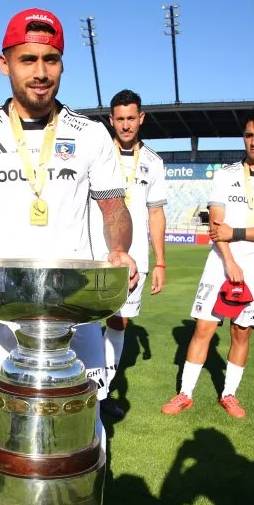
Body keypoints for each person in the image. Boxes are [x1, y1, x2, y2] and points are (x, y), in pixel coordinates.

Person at [0, 7, 136, 505]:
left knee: (89, 413)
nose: (40, 71)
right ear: (5, 65)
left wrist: (118, 248)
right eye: (28, 60)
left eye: (50, 60)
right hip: (2, 307)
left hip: (74, 308)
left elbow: (114, 206)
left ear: (61, 65)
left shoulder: (89, 134)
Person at [161, 107, 254, 418]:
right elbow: (215, 227)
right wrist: (230, 260)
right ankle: (185, 393)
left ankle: (229, 394)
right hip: (220, 261)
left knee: (241, 331)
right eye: (248, 135)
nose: (253, 141)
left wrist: (234, 233)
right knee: (204, 328)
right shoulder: (224, 175)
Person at [88, 89, 168, 420]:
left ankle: (102, 392)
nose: (125, 125)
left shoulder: (153, 162)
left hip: (134, 259)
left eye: (130, 118)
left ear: (141, 118)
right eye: (119, 119)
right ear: (111, 120)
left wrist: (160, 260)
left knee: (119, 323)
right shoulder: (96, 152)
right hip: (94, 252)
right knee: (84, 321)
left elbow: (156, 214)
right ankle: (75, 387)